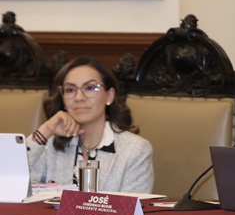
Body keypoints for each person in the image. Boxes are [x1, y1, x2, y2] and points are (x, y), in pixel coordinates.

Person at [27, 56, 154, 193]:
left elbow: (132, 205)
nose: (79, 98)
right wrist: (45, 130)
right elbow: (12, 183)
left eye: (89, 88)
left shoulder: (135, 150)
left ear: (109, 96)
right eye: (70, 90)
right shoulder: (49, 145)